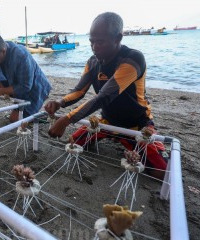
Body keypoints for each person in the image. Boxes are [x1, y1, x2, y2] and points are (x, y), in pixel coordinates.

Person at [44, 12, 168, 179]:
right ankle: (118, 140)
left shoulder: (133, 59)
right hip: (107, 121)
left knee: (160, 172)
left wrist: (66, 120)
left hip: (136, 124)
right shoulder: (93, 62)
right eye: (91, 42)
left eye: (100, 42)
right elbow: (79, 90)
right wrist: (59, 102)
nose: (94, 47)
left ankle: (135, 142)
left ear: (118, 38)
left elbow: (103, 97)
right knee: (73, 143)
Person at [0, 31, 52, 122]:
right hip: (14, 83)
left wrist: (0, 92)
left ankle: (37, 116)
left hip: (35, 89)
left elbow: (25, 87)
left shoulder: (21, 55)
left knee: (14, 121)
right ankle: (22, 110)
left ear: (3, 51)